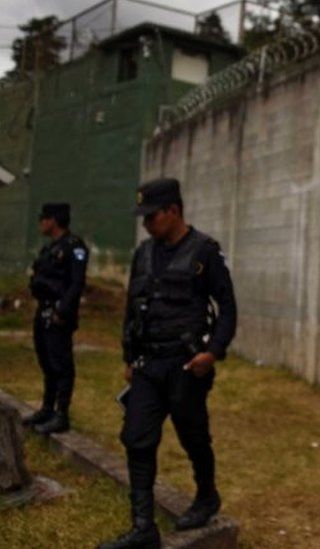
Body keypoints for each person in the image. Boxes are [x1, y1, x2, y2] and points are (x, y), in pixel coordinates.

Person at [99, 178, 237, 549]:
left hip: (186, 364)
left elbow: (228, 308)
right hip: (148, 364)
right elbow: (132, 309)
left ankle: (206, 496)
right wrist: (129, 356)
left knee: (193, 434)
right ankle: (143, 528)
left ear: (173, 211)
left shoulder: (204, 251)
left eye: (152, 216)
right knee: (136, 438)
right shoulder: (143, 253)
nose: (146, 224)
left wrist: (214, 352)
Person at [24, 203, 88, 435]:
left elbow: (76, 283)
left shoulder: (74, 247)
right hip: (43, 310)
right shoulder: (50, 248)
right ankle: (47, 408)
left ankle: (62, 413)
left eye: (44, 218)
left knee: (61, 363)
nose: (41, 222)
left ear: (54, 220)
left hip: (59, 314)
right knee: (46, 361)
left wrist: (63, 311)